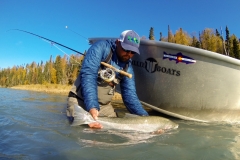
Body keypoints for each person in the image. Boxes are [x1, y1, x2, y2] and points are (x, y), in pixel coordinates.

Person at [66, 30, 149, 129]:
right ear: (118, 42)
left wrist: (147, 120)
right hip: (79, 101)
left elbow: (130, 96)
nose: (129, 54)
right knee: (83, 129)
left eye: (133, 52)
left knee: (119, 130)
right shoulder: (100, 47)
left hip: (104, 107)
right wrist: (92, 107)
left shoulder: (128, 67)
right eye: (126, 49)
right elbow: (89, 76)